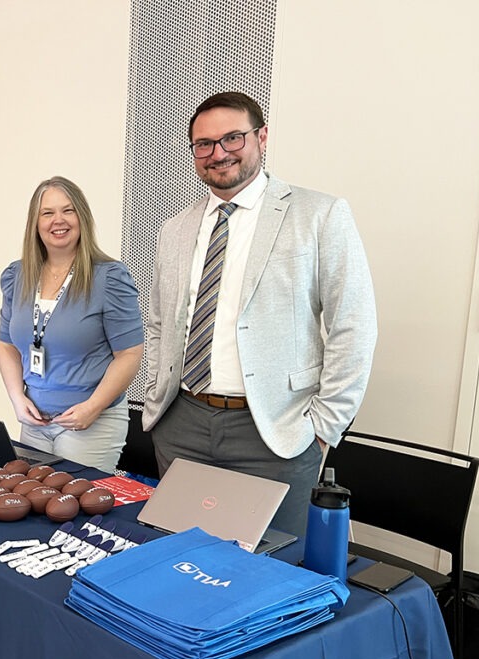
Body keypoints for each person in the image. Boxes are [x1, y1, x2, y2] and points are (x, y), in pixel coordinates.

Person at [141, 92, 377, 536]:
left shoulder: (319, 215)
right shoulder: (175, 228)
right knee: (180, 559)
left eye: (233, 138)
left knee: (273, 573)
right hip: (182, 424)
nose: (219, 153)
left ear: (262, 137)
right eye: (204, 144)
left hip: (275, 433)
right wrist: (158, 396)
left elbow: (354, 324)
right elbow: (159, 323)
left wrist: (325, 426)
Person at [0, 176, 144, 473]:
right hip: (34, 423)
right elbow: (7, 345)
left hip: (90, 424)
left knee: (68, 510)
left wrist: (93, 407)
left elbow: (129, 354)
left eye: (68, 210)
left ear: (82, 217)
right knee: (32, 507)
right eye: (47, 213)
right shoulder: (17, 276)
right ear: (35, 223)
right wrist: (17, 398)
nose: (58, 221)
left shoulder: (110, 278)